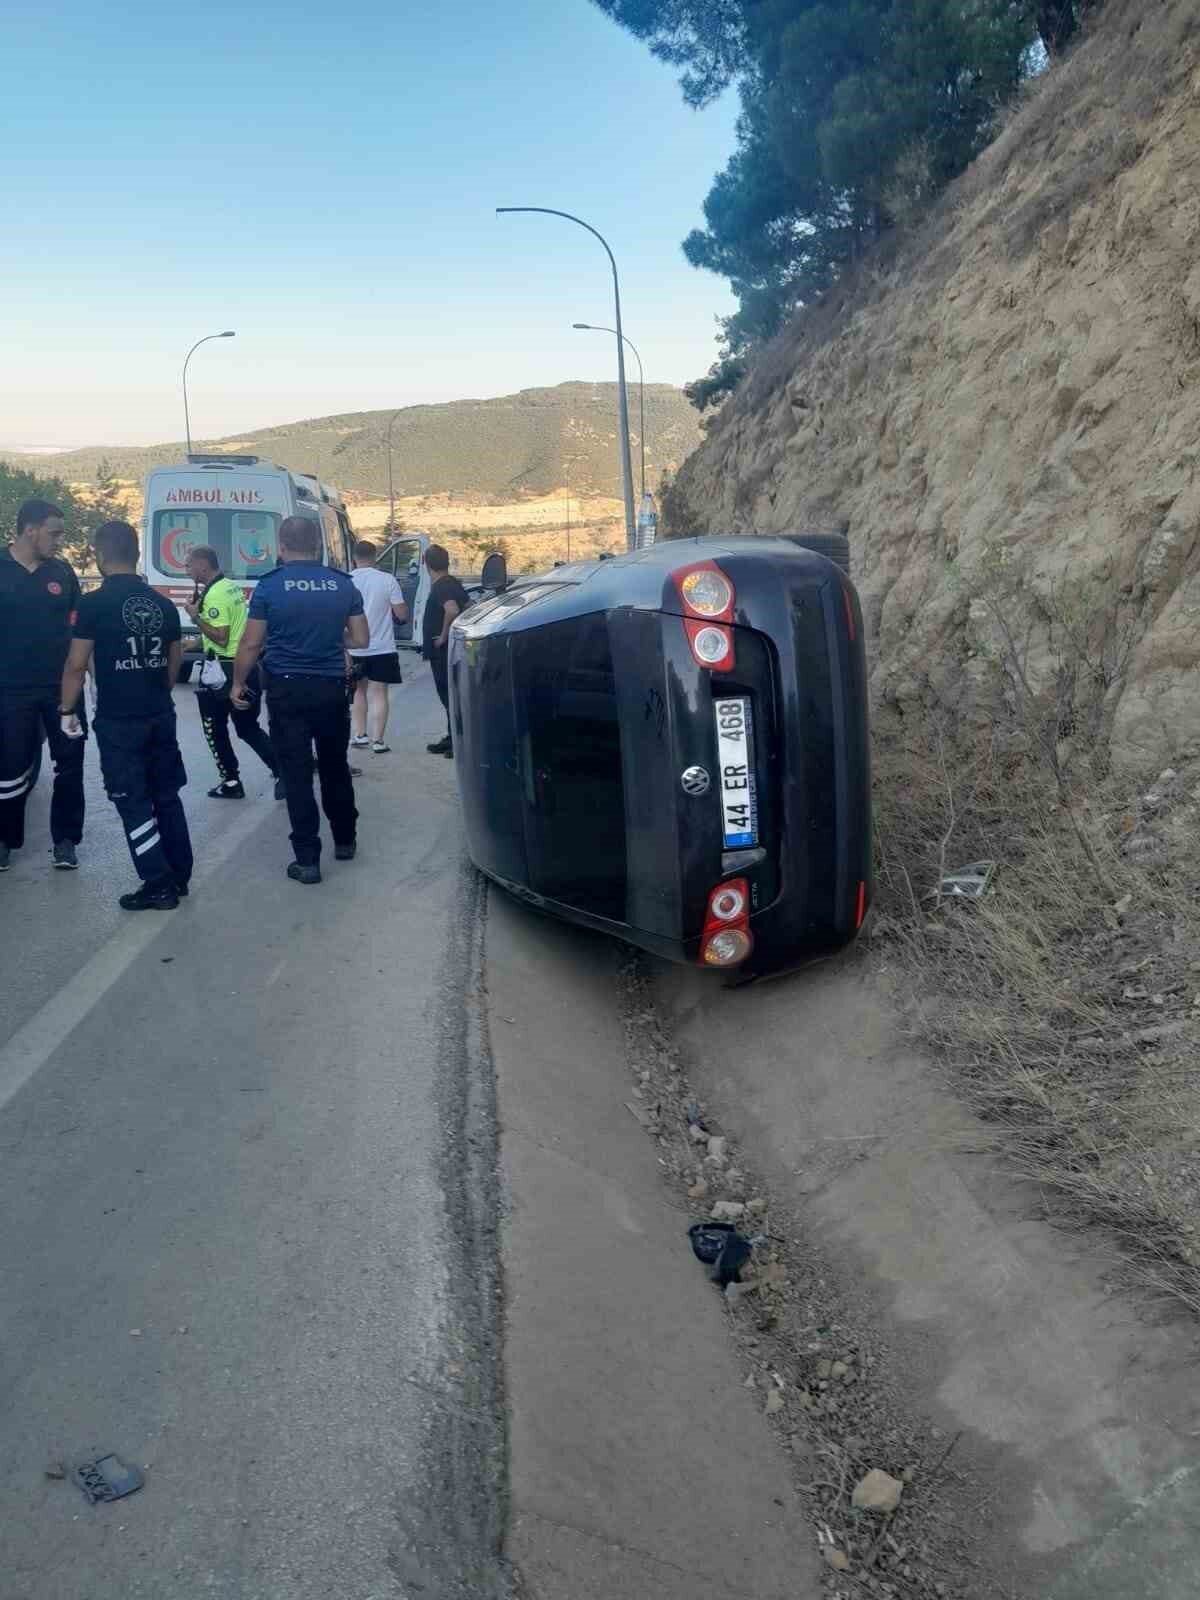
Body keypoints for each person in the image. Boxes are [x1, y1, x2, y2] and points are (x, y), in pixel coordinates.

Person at [60, 520, 192, 911]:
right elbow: (174, 661)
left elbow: (76, 664)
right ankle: (179, 875)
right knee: (166, 795)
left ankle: (157, 883)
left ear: (99, 557)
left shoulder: (93, 604)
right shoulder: (163, 604)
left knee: (131, 800)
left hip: (119, 720)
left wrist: (67, 710)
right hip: (159, 713)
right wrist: (158, 690)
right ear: (135, 554)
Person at [231, 515, 368, 885]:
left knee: (296, 773)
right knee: (335, 765)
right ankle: (345, 840)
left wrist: (238, 682)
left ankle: (307, 859)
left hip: (286, 690)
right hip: (330, 687)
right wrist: (327, 637)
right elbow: (360, 639)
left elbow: (252, 642)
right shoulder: (343, 585)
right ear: (318, 545)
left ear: (281, 546)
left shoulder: (269, 587)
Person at [0, 498, 87, 873]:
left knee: (71, 760)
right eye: (53, 533)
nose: (58, 540)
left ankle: (65, 841)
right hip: (10, 691)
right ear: (29, 529)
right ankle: (5, 840)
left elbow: (81, 633)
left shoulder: (62, 573)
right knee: (9, 767)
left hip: (62, 692)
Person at [183, 545, 282, 799]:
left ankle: (230, 782)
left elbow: (222, 637)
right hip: (244, 666)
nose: (186, 570)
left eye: (188, 565)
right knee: (248, 728)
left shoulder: (215, 594)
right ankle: (282, 770)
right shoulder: (229, 586)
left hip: (223, 670)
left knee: (214, 728)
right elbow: (230, 631)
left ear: (202, 565)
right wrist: (193, 643)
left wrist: (195, 618)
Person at [348, 539, 408, 754]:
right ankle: (378, 741)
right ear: (374, 557)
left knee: (358, 692)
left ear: (354, 558)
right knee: (379, 693)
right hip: (382, 647)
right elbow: (401, 614)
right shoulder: (387, 580)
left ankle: (360, 735)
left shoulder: (347, 580)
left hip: (354, 647)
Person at [421, 544, 470, 758]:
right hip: (452, 651)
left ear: (426, 564)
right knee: (452, 696)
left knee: (449, 696)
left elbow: (452, 609)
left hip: (443, 652)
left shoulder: (442, 586)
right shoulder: (453, 583)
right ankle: (453, 738)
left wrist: (443, 636)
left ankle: (458, 743)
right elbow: (469, 606)